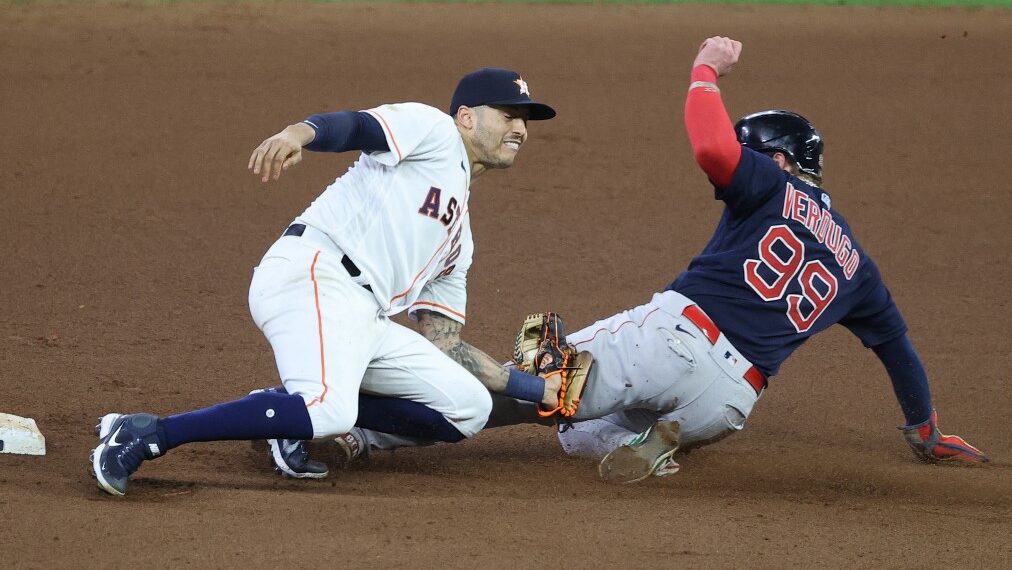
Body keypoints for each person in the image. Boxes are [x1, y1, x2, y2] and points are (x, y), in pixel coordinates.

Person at [316, 37, 989, 485]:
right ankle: (663, 439)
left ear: (781, 162)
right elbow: (898, 348)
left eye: (759, 152)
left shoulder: (770, 184)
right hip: (732, 399)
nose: (748, 159)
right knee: (580, 439)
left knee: (522, 393)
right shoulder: (857, 266)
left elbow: (713, 150)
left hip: (670, 339)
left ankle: (355, 436)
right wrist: (926, 432)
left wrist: (704, 69)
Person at [90, 68, 572, 496]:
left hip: (365, 316)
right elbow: (357, 127)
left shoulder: (459, 239)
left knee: (468, 407)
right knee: (330, 413)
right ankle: (150, 432)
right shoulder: (433, 131)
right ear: (466, 117)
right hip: (313, 272)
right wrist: (297, 133)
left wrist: (534, 389)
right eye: (509, 114)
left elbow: (446, 345)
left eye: (525, 120)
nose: (520, 129)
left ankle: (283, 412)